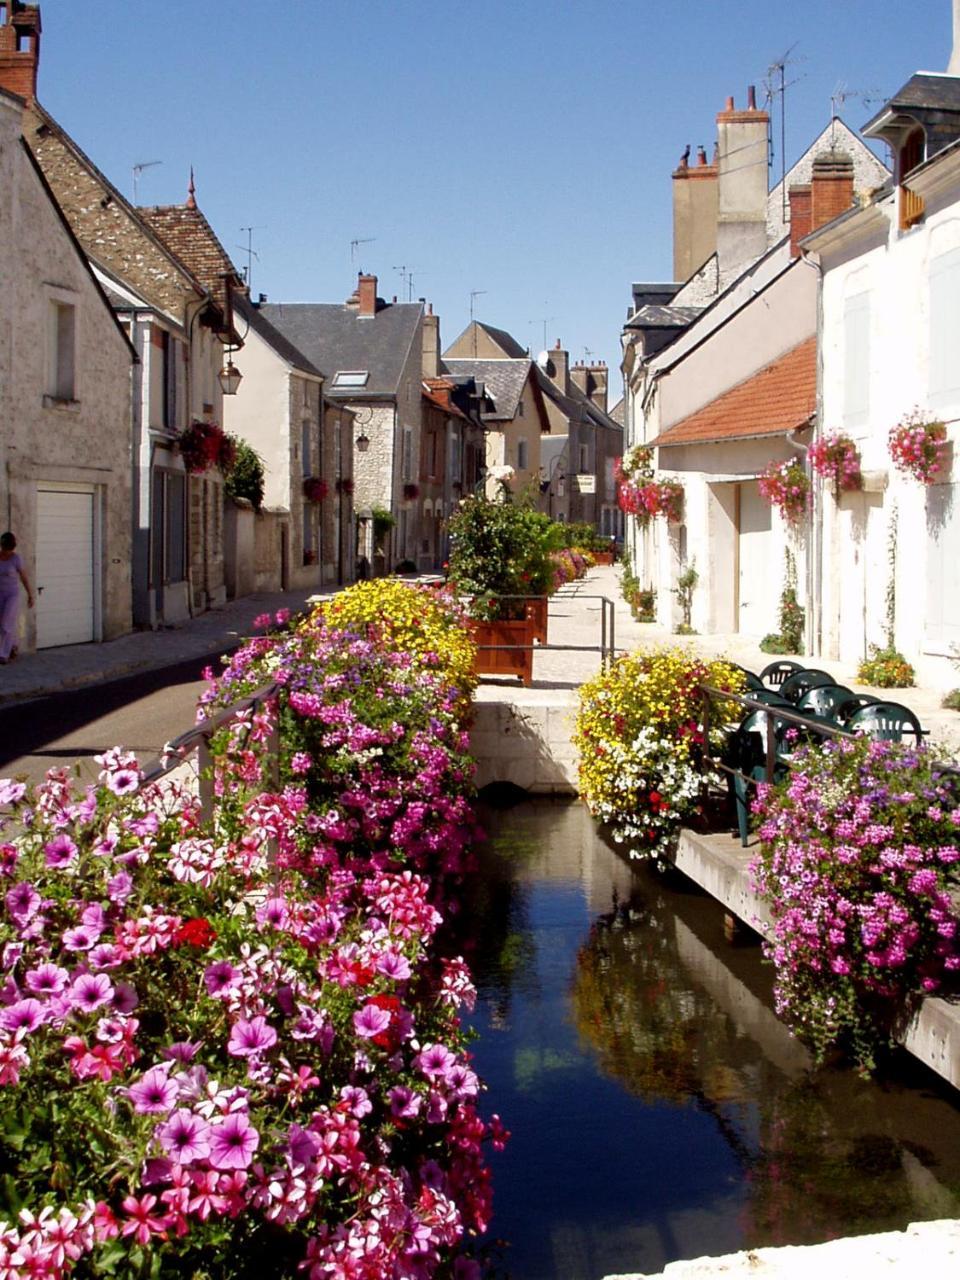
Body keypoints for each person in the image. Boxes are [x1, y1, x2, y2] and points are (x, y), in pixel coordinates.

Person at [0, 531, 34, 664]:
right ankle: (14, 645)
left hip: (12, 595)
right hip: (0, 594)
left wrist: (30, 595)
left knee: (6, 624)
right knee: (3, 623)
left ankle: (3, 654)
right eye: (4, 549)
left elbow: (24, 578)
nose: (7, 552)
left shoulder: (16, 559)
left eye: (9, 549)